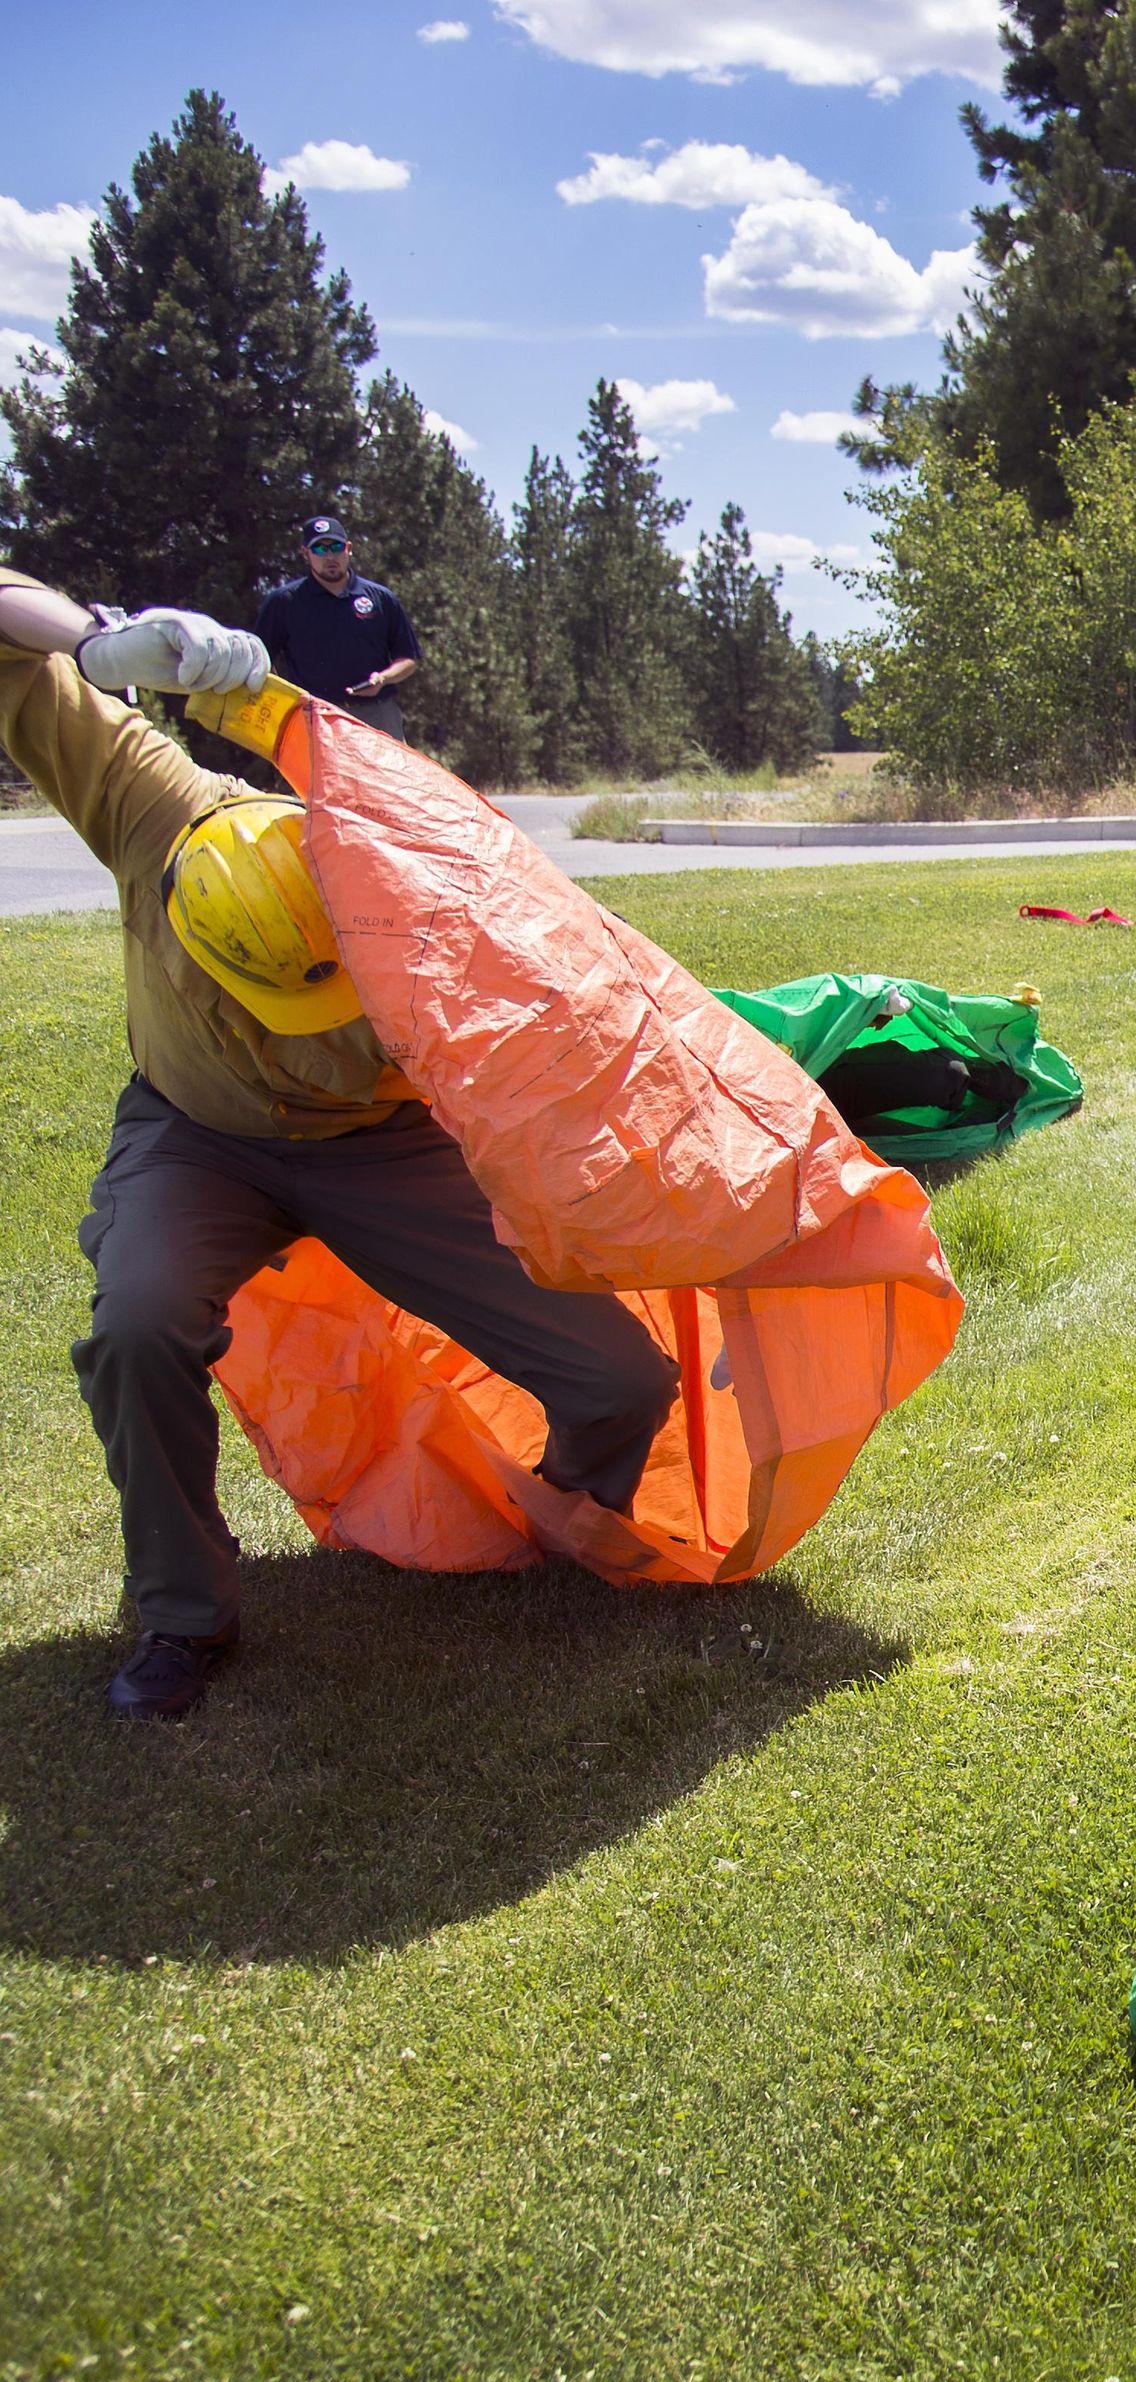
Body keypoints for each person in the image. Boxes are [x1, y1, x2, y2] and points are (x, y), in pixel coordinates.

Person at [0, 568, 678, 1720]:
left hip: (383, 1151)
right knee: (134, 1328)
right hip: (195, 1134)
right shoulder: (152, 806)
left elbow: (591, 1044)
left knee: (621, 1375)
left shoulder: (431, 918)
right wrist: (102, 640)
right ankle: (183, 1614)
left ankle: (552, 1523)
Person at [252, 516, 421, 739]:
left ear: (348, 549)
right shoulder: (284, 602)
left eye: (336, 547)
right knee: (315, 776)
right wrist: (284, 702)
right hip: (315, 718)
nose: (330, 556)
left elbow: (409, 658)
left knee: (389, 775)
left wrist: (383, 678)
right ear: (306, 553)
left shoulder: (381, 598)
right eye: (320, 549)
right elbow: (260, 659)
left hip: (377, 715)